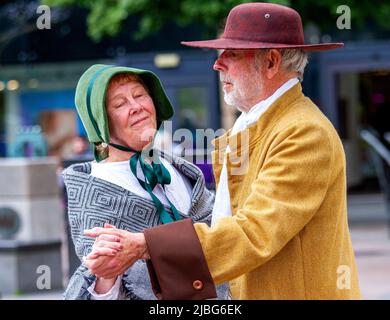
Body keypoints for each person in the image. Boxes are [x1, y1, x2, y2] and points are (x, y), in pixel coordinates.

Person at [84, 3, 361, 299]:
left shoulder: (304, 131)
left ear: (271, 62)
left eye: (233, 54)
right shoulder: (252, 125)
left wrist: (146, 245)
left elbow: (254, 231)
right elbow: (226, 224)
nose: (218, 64)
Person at [62, 64, 229, 299]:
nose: (137, 107)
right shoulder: (94, 190)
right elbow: (96, 285)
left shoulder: (182, 170)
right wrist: (105, 276)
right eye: (120, 104)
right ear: (101, 123)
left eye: (140, 95)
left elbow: (225, 236)